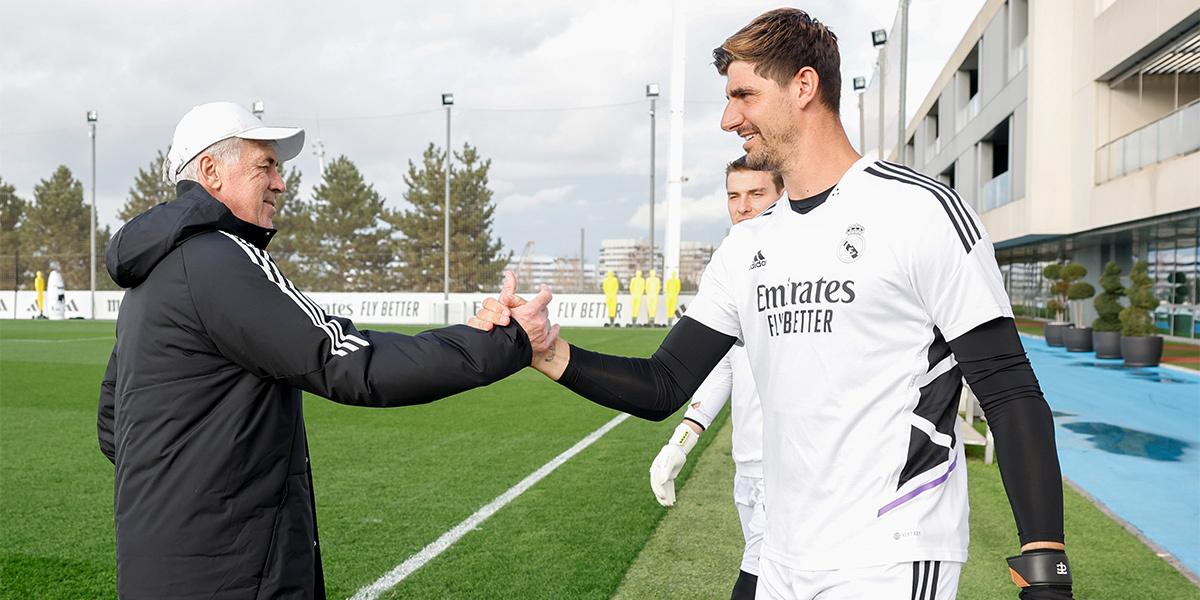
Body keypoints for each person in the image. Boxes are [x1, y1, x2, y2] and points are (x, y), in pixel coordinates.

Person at [478, 9, 1072, 600]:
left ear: (804, 86)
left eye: (744, 95)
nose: (727, 118)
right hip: (782, 559)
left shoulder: (919, 211)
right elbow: (662, 384)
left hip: (890, 554)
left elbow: (1007, 385)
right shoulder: (748, 246)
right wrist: (547, 351)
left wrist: (1045, 566)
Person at [97, 101, 557, 600]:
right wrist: (507, 341)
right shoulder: (220, 258)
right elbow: (352, 363)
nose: (280, 182)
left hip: (158, 567)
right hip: (231, 574)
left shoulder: (154, 274)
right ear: (210, 171)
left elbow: (113, 423)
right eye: (265, 165)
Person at [648, 156, 783, 600]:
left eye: (756, 194)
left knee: (756, 583)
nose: (743, 206)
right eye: (734, 195)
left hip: (790, 470)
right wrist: (680, 444)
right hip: (747, 466)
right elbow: (724, 362)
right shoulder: (733, 263)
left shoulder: (800, 266)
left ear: (781, 194)